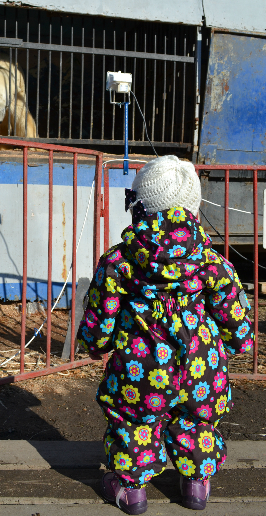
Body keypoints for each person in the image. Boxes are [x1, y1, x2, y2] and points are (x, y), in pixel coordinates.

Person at [77, 155, 254, 515]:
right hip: (200, 365)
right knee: (197, 419)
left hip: (140, 367)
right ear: (193, 207)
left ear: (140, 205)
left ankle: (131, 492)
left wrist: (95, 342)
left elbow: (101, 310)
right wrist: (239, 341)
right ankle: (196, 485)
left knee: (134, 421)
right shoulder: (211, 261)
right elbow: (233, 313)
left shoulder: (119, 260)